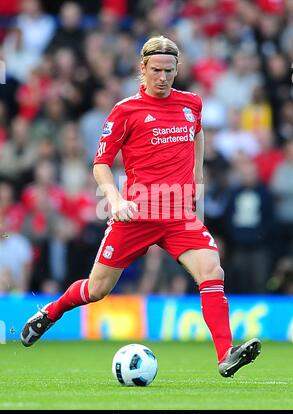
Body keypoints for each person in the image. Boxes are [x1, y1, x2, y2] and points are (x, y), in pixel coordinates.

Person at [21, 36, 261, 378]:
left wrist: (196, 178)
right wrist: (115, 200)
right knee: (97, 289)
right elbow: (100, 163)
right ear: (143, 69)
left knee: (212, 272)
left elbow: (197, 134)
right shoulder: (125, 110)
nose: (163, 78)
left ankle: (226, 354)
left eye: (169, 70)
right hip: (136, 213)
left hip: (179, 214)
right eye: (156, 70)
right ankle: (52, 312)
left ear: (178, 69)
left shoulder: (192, 104)